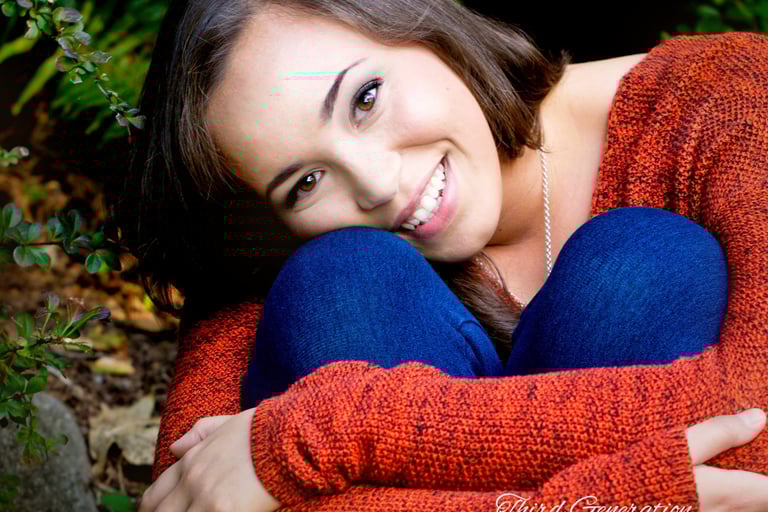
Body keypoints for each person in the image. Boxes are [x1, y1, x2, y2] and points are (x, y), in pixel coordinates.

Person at [103, 0, 768, 509]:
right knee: (338, 282)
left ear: (422, 22)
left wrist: (321, 432)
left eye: (364, 99)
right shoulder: (283, 248)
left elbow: (754, 421)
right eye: (304, 182)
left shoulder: (730, 96)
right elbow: (190, 496)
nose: (378, 183)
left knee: (641, 267)